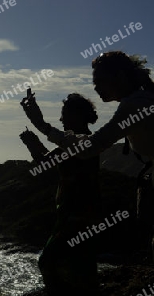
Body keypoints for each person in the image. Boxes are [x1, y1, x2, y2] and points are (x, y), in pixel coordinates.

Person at [21, 51, 154, 262]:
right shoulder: (141, 99)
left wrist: (41, 125)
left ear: (120, 77)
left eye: (100, 81)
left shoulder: (135, 105)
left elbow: (89, 147)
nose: (96, 88)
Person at [20, 93, 101, 296]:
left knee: (50, 261)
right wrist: (33, 143)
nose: (62, 120)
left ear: (79, 116)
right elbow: (48, 162)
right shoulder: (73, 144)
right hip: (69, 215)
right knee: (79, 266)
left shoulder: (86, 143)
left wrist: (38, 126)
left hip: (78, 217)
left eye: (65, 114)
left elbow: (49, 162)